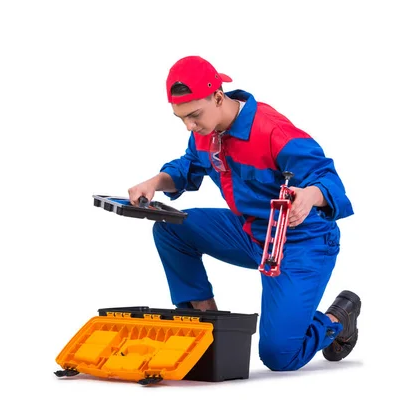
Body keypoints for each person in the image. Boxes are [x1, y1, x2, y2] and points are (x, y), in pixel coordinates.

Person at [127, 55, 361, 372]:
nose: (189, 125)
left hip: (301, 243)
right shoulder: (204, 131)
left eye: (194, 115)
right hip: (251, 232)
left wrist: (309, 195)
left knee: (280, 355)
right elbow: (188, 167)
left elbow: (328, 178)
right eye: (181, 118)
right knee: (169, 227)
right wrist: (155, 183)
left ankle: (337, 319)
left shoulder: (272, 131)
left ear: (219, 97)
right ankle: (206, 318)